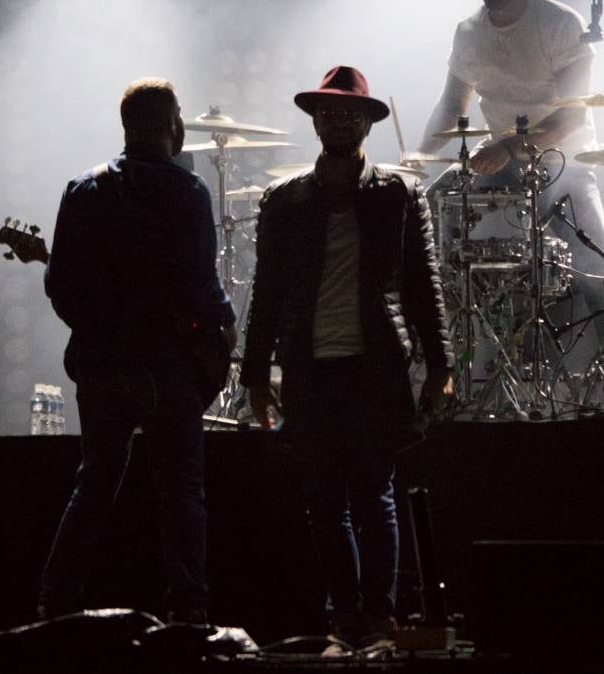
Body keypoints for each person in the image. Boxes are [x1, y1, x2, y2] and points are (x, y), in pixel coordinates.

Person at [241, 65, 454, 648]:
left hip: (374, 365)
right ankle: (344, 617)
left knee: (372, 496)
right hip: (310, 366)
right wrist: (255, 376)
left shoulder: (399, 193)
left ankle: (379, 616)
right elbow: (267, 292)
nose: (338, 121)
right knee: (323, 504)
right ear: (315, 122)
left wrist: (442, 365)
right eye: (329, 113)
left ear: (367, 122)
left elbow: (422, 283)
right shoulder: (284, 201)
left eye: (349, 113)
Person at [37, 77, 237, 627]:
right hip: (168, 365)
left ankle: (55, 604)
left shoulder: (83, 189)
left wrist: (98, 331)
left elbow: (61, 286)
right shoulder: (189, 192)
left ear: (126, 127)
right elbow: (202, 285)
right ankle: (189, 612)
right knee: (181, 489)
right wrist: (226, 325)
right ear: (173, 126)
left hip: (101, 366)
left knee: (96, 480)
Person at [414, 0, 604, 399]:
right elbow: (451, 105)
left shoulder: (560, 23)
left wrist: (510, 145)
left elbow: (572, 115)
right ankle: (451, 366)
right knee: (427, 207)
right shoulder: (467, 33)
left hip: (565, 160)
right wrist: (418, 162)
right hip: (500, 161)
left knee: (600, 276)